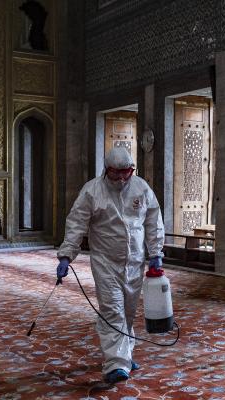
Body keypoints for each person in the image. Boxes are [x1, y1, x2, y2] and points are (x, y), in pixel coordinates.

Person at [56, 147, 165, 384]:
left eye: (127, 172)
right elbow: (76, 223)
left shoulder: (141, 187)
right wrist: (66, 255)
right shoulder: (92, 191)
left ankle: (124, 354)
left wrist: (156, 253)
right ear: (107, 170)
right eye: (117, 173)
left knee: (127, 310)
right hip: (106, 263)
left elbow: (153, 220)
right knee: (112, 311)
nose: (122, 178)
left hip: (135, 262)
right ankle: (116, 364)